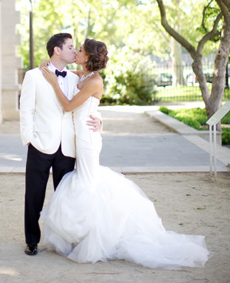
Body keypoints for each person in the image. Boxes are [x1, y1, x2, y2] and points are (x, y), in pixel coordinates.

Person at [39, 38, 211, 269]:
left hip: (88, 140)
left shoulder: (94, 81)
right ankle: (82, 234)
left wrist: (52, 82)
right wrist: (51, 69)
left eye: (80, 51)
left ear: (88, 57)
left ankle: (97, 235)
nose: (77, 53)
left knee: (88, 183)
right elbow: (67, 74)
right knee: (85, 182)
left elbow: (69, 106)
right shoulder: (85, 76)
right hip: (79, 137)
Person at [19, 33, 101, 256]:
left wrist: (99, 120)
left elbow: (90, 104)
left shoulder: (78, 78)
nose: (75, 51)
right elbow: (26, 110)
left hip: (69, 147)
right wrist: (28, 138)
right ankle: (32, 241)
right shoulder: (34, 76)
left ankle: (65, 241)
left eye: (77, 48)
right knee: (33, 195)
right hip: (40, 144)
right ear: (57, 50)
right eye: (71, 47)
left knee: (66, 197)